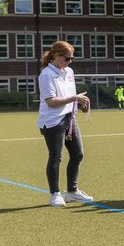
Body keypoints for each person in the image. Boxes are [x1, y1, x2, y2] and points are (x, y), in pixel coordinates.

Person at [37, 40, 92, 208]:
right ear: (56, 55)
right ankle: (55, 194)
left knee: (78, 154)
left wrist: (79, 105)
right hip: (52, 121)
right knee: (56, 157)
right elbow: (51, 102)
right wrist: (75, 98)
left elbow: (70, 95)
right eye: (66, 58)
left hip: (69, 118)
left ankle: (72, 192)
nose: (69, 62)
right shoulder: (46, 74)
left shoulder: (69, 71)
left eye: (71, 58)